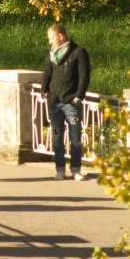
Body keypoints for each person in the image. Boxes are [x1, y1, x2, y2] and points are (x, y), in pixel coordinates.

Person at [42, 22, 92, 180]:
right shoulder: (52, 53)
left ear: (60, 36)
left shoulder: (78, 52)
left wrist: (78, 97)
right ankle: (60, 169)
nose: (50, 42)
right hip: (54, 100)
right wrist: (44, 92)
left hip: (71, 101)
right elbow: (46, 73)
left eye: (51, 38)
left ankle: (76, 169)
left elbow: (84, 76)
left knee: (75, 137)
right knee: (57, 136)